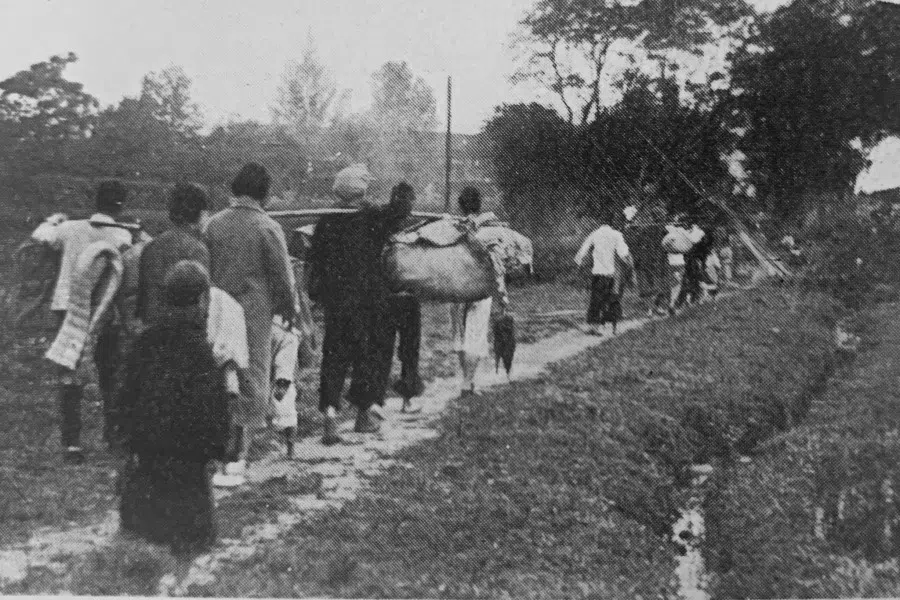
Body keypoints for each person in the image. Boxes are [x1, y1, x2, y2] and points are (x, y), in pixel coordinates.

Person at [118, 260, 230, 560]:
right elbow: (212, 405)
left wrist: (128, 441)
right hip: (188, 461)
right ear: (202, 299)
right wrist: (217, 449)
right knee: (188, 537)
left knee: (151, 533)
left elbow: (126, 395)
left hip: (149, 455)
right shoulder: (199, 350)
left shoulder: (145, 342)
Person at [205, 163, 296, 485]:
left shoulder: (213, 225)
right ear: (264, 193)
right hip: (253, 312)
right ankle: (238, 454)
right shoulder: (267, 227)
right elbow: (283, 277)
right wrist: (289, 310)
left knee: (220, 372)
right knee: (252, 375)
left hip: (216, 307)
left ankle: (218, 448)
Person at [307, 171, 414, 445]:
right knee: (368, 357)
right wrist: (402, 191)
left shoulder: (325, 222)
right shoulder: (372, 219)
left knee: (334, 357)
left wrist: (319, 294)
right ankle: (363, 416)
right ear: (362, 193)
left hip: (337, 303)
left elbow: (314, 264)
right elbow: (400, 211)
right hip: (369, 302)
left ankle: (329, 417)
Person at [35, 180, 134, 462]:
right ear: (121, 206)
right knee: (109, 369)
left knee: (69, 370)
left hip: (67, 305)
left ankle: (71, 444)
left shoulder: (70, 229)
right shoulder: (122, 236)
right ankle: (113, 438)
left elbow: (41, 235)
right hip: (101, 307)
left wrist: (54, 220)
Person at [450, 186, 509, 397]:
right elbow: (498, 266)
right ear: (479, 204)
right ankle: (468, 383)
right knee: (475, 336)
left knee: (460, 336)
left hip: (456, 289)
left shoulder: (453, 229)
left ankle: (467, 381)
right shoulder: (492, 230)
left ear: (460, 205)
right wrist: (502, 295)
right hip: (480, 289)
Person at [136, 183, 211, 326]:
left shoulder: (151, 246)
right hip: (185, 333)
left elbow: (144, 301)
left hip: (153, 332)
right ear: (200, 213)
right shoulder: (197, 250)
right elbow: (202, 305)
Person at [574, 208, 633, 336]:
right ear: (612, 221)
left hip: (597, 273)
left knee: (596, 299)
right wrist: (628, 266)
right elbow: (623, 254)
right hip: (610, 273)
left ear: (600, 221)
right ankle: (612, 326)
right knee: (611, 299)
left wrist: (579, 265)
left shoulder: (594, 234)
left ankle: (596, 326)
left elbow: (582, 251)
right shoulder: (616, 234)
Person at [269, 316, 300, 458]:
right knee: (282, 391)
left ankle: (289, 446)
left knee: (282, 392)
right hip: (283, 329)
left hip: (280, 328)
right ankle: (286, 444)